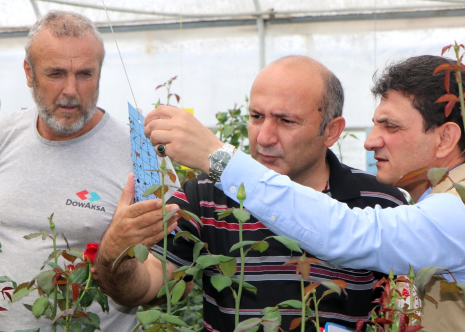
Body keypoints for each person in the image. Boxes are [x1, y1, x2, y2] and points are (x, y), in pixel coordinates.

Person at [143, 55, 465, 331]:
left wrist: (219, 158)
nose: (372, 141)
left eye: (390, 126)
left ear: (445, 139)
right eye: (256, 116)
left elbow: (348, 233)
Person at [96, 56, 407, 331]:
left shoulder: (380, 202)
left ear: (331, 131)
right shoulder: (205, 195)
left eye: (286, 121)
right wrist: (116, 253)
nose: (265, 137)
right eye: (257, 117)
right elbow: (147, 285)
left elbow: (403, 310)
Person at [0, 10, 173, 331]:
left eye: (85, 74)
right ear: (29, 73)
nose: (71, 90)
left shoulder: (141, 153)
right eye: (56, 73)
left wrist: (122, 262)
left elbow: (173, 268)